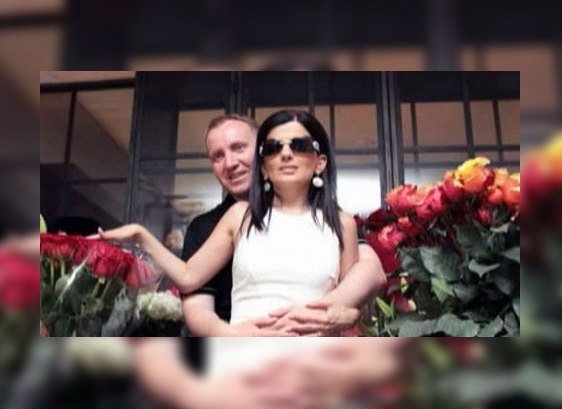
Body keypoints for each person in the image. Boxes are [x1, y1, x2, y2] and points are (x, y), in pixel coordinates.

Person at [92, 110, 385, 335]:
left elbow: (357, 292)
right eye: (274, 148)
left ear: (320, 161)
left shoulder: (341, 223)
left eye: (299, 145)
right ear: (265, 164)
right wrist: (141, 235)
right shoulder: (234, 218)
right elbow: (190, 281)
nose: (286, 154)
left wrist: (349, 314)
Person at [181, 114, 386, 336]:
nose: (230, 163)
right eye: (217, 156)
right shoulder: (204, 226)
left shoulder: (328, 218)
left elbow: (370, 268)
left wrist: (347, 312)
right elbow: (195, 304)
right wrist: (230, 335)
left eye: (239, 148)